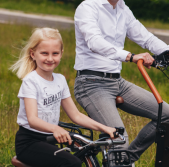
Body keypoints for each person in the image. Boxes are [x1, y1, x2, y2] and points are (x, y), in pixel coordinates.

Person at [73, 0, 169, 162]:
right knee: (119, 137)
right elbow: (95, 42)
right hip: (91, 84)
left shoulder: (122, 9)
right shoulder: (88, 8)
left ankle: (126, 159)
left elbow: (146, 38)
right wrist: (130, 56)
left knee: (168, 116)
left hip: (116, 82)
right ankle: (119, 157)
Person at [11, 28, 116, 167]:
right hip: (29, 142)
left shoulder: (60, 80)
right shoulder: (31, 81)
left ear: (61, 54)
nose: (50, 58)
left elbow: (76, 115)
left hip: (49, 140)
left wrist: (104, 128)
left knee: (87, 151)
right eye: (44, 53)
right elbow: (32, 120)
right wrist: (55, 129)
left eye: (55, 53)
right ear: (33, 54)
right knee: (72, 163)